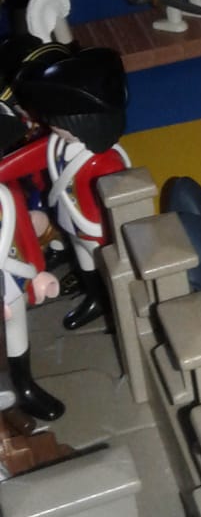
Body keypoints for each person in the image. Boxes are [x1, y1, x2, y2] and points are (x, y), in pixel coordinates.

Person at [0, 48, 130, 330]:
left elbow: (121, 199)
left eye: (58, 122)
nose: (50, 126)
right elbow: (24, 160)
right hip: (73, 224)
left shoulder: (106, 161)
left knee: (106, 266)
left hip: (98, 230)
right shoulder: (59, 144)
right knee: (86, 263)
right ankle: (95, 297)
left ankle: (114, 304)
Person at [1, 166, 63, 421]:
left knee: (17, 331)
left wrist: (35, 271)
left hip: (12, 276)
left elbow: (24, 234)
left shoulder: (8, 194)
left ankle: (23, 386)